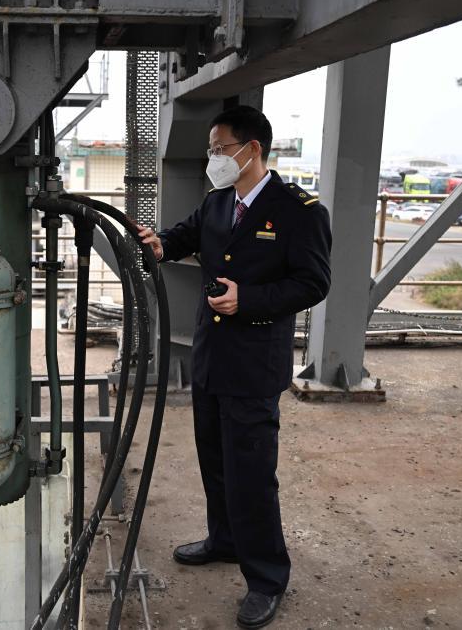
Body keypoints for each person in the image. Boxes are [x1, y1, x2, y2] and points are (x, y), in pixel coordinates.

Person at [137, 105, 331, 629]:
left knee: (251, 475)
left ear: (252, 149)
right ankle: (224, 540)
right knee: (215, 461)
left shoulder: (298, 211)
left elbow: (313, 283)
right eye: (211, 150)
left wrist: (250, 299)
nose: (214, 158)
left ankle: (266, 577)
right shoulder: (218, 201)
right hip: (212, 357)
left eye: (220, 149)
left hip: (253, 363)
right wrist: (159, 243)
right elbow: (186, 236)